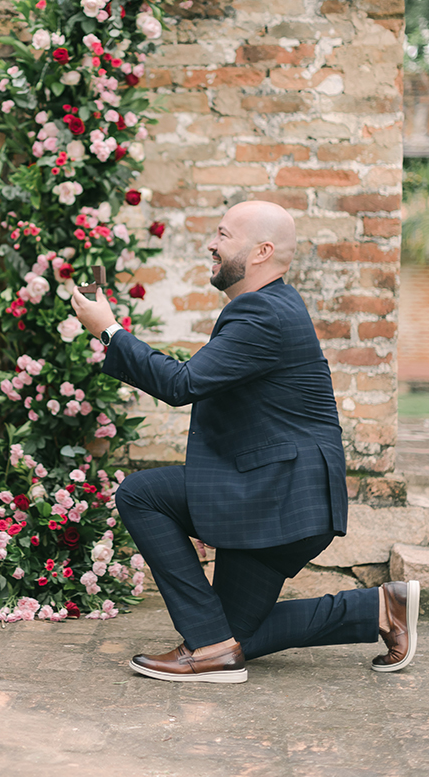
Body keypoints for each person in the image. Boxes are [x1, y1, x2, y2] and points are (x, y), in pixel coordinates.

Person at [72, 199, 419, 683]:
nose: (211, 244)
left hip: (277, 496)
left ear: (261, 251)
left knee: (140, 494)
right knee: (234, 637)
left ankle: (210, 649)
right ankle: (382, 607)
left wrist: (108, 331)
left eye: (223, 235)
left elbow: (181, 385)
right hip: (279, 492)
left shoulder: (261, 313)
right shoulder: (268, 306)